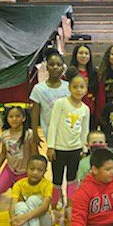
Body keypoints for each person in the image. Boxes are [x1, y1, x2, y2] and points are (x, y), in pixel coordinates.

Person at [47, 66, 90, 210]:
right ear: (69, 88)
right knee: (57, 179)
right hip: (59, 149)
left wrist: (84, 148)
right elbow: (53, 125)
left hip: (75, 149)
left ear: (86, 89)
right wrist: (51, 146)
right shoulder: (61, 103)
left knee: (72, 179)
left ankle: (70, 205)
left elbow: (85, 130)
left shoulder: (85, 109)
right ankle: (54, 205)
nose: (78, 90)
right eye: (75, 87)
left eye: (82, 87)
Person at [8, 155, 54, 226]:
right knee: (19, 206)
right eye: (32, 169)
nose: (35, 172)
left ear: (45, 172)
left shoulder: (47, 185)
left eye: (39, 170)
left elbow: (44, 207)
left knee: (33, 199)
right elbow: (12, 206)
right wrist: (15, 224)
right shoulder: (19, 184)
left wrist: (23, 218)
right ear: (26, 168)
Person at [30, 48, 70, 149]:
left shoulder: (69, 87)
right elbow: (35, 113)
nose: (55, 67)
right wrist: (35, 133)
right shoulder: (38, 89)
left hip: (68, 132)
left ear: (63, 68)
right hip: (50, 133)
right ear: (46, 67)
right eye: (52, 65)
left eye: (58, 65)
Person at [0, 106, 38, 196]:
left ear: (24, 118)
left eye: (17, 116)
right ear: (7, 119)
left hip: (25, 170)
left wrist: (35, 173)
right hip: (10, 169)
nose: (14, 119)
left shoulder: (29, 134)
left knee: (25, 195)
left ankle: (18, 185)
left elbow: (35, 154)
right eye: (11, 116)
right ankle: (13, 183)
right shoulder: (5, 134)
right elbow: (3, 154)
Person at [69, 44, 99, 130]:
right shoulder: (70, 72)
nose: (83, 56)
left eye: (86, 53)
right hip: (73, 112)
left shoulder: (94, 73)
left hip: (90, 112)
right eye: (80, 53)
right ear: (75, 55)